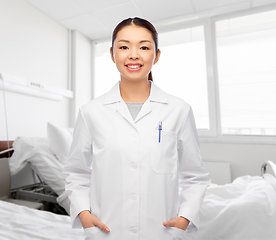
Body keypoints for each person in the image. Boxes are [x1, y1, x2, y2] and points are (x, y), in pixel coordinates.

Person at [63, 17, 211, 240]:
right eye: (124, 47)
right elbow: (76, 172)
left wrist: (184, 219)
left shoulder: (179, 110)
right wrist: (84, 214)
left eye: (144, 47)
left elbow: (194, 176)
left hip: (162, 232)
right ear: (112, 55)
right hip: (107, 231)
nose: (133, 54)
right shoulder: (90, 112)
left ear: (156, 55)